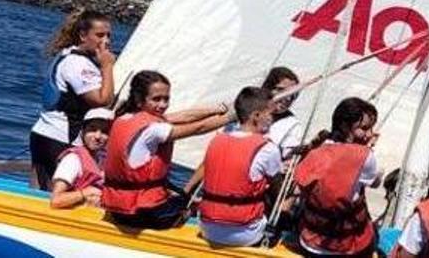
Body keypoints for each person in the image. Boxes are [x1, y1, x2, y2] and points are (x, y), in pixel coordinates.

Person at [102, 70, 231, 229]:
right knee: (186, 199)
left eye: (166, 99)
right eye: (156, 99)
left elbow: (184, 116)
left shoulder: (123, 118)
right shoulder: (154, 129)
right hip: (138, 213)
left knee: (173, 191)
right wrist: (231, 117)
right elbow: (199, 128)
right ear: (139, 98)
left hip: (116, 205)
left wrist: (218, 109)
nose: (163, 104)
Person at [30, 9, 117, 190]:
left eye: (108, 35)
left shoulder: (68, 55)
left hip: (44, 133)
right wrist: (108, 66)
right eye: (100, 35)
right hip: (61, 139)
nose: (106, 41)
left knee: (39, 189)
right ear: (83, 35)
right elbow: (101, 100)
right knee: (63, 192)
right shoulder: (78, 64)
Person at [189, 86, 284, 247]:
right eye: (270, 114)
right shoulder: (268, 148)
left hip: (206, 227)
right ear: (256, 116)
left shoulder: (216, 140)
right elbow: (278, 193)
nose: (272, 119)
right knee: (280, 207)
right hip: (244, 233)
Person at [292, 97, 383, 257]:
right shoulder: (364, 156)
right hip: (346, 247)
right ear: (344, 126)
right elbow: (375, 182)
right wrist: (368, 151)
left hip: (308, 243)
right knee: (374, 234)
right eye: (364, 128)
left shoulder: (315, 151)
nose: (369, 134)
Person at [49, 107, 114, 210]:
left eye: (104, 132)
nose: (97, 136)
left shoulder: (103, 159)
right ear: (83, 131)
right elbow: (55, 201)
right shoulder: (73, 160)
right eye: (92, 129)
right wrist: (84, 193)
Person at [263, 66, 302, 161]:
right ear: (268, 88)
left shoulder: (292, 125)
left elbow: (288, 155)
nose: (288, 98)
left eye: (292, 95)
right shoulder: (247, 108)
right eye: (282, 91)